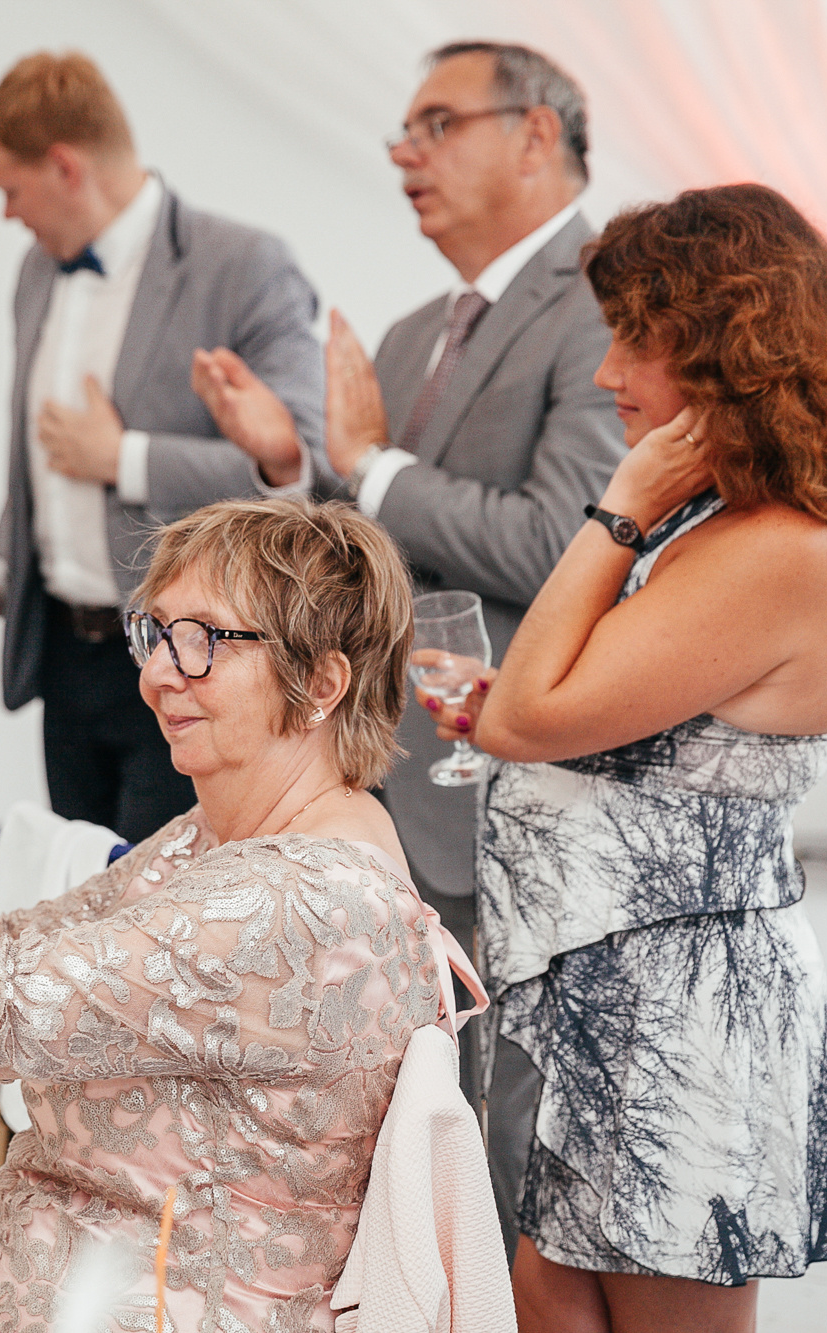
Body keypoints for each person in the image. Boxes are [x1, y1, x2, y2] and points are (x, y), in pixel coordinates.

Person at [428, 183, 827, 1332]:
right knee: (549, 1296)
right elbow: (588, 710)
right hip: (620, 981)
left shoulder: (785, 548)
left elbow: (525, 717)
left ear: (728, 356)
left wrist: (616, 508)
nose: (606, 373)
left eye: (635, 341)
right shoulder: (728, 525)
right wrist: (536, 711)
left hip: (684, 1003)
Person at [0, 499, 459, 1331]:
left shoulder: (297, 906)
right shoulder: (220, 839)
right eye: (157, 633)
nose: (157, 674)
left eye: (203, 639)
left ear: (321, 682)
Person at [193, 41, 625, 1012]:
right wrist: (288, 465)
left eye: (437, 126)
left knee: (488, 1090)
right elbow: (364, 548)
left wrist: (375, 465)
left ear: (535, 137)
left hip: (498, 778)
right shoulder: (410, 331)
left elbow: (560, 542)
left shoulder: (601, 305)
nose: (403, 155)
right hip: (363, 768)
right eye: (403, 132)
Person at [0, 51, 327, 845]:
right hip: (63, 651)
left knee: (155, 922)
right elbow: (35, 470)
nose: (7, 214)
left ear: (64, 166)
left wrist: (124, 458)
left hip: (191, 657)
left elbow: (303, 468)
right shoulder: (36, 271)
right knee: (79, 895)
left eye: (10, 189)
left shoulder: (245, 266)